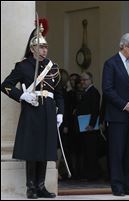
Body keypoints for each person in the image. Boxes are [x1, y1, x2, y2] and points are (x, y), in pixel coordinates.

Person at [1, 19, 64, 199]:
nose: (45, 50)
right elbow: (5, 85)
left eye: (46, 47)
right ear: (32, 49)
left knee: (45, 149)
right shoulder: (23, 66)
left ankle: (41, 185)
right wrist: (22, 95)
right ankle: (31, 187)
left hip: (48, 111)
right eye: (41, 47)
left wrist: (60, 113)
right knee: (32, 149)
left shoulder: (53, 68)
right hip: (32, 110)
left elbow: (59, 94)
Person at [102, 33, 129, 196]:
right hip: (117, 115)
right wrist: (124, 105)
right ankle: (117, 186)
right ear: (124, 46)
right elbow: (108, 89)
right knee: (117, 153)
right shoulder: (111, 64)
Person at [75, 72, 101, 181]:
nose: (82, 82)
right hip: (84, 125)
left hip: (90, 127)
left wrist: (91, 124)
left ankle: (92, 175)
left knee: (91, 151)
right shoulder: (86, 92)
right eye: (81, 80)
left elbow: (95, 109)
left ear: (91, 80)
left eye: (85, 80)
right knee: (86, 150)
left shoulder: (94, 92)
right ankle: (87, 174)